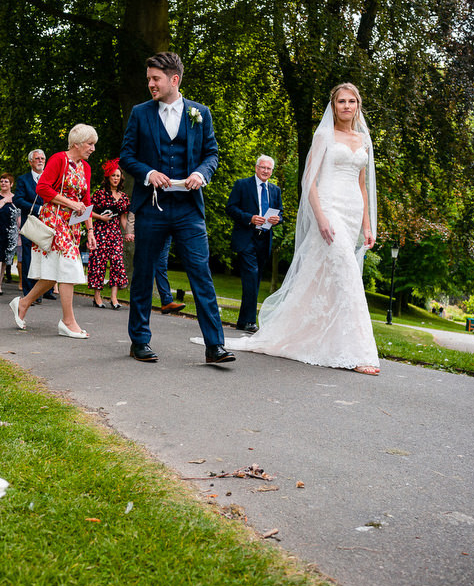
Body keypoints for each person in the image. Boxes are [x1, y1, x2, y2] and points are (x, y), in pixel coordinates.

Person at [219, 83, 379, 373]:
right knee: (346, 271)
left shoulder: (363, 140)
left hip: (353, 211)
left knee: (324, 276)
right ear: (333, 106)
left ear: (358, 105)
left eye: (351, 101)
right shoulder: (324, 136)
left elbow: (362, 186)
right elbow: (309, 181)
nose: (346, 105)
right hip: (328, 207)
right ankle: (358, 353)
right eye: (341, 101)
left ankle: (311, 337)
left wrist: (368, 226)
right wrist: (321, 218)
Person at [120, 52, 232, 364]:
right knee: (143, 275)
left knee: (201, 273)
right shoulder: (140, 113)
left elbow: (212, 154)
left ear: (174, 79)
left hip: (187, 210)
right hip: (151, 208)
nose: (150, 84)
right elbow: (127, 156)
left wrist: (200, 173)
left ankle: (215, 347)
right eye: (148, 79)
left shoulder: (200, 113)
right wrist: (148, 172)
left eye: (155, 79)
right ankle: (139, 341)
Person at [11, 124, 97, 338]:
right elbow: (42, 188)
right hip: (54, 220)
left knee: (52, 274)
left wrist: (91, 231)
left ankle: (23, 303)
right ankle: (68, 322)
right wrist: (69, 202)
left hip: (73, 224)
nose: (93, 149)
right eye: (90, 144)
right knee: (68, 267)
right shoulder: (59, 159)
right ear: (76, 144)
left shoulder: (84, 167)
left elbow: (85, 201)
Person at [226, 155, 283, 332]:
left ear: (271, 171)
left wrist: (277, 219)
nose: (265, 171)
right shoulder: (242, 185)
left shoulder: (275, 190)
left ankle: (243, 321)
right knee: (251, 276)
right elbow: (231, 208)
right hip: (246, 237)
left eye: (269, 169)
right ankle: (250, 321)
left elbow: (281, 213)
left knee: (255, 280)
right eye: (263, 167)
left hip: (264, 239)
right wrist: (249, 218)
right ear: (256, 167)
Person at [86, 159, 131, 309]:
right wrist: (101, 217)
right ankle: (97, 297)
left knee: (117, 262)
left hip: (115, 233)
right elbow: (88, 212)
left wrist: (129, 233)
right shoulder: (99, 194)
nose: (116, 178)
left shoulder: (124, 197)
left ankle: (114, 298)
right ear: (108, 177)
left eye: (118, 176)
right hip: (100, 232)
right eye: (113, 175)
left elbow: (123, 218)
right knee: (99, 263)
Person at [13, 149, 56, 303]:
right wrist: (38, 208)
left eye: (42, 158)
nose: (40, 161)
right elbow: (18, 200)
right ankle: (30, 293)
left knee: (48, 256)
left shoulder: (51, 178)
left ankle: (47, 290)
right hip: (31, 223)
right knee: (29, 258)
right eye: (37, 158)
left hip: (49, 224)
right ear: (31, 161)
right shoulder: (23, 180)